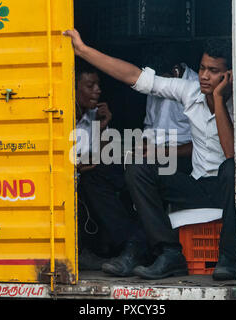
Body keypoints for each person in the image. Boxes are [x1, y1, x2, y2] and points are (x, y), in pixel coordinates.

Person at [64, 29, 236, 281]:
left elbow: (229, 153)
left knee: (231, 168)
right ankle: (168, 253)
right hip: (198, 186)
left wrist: (219, 100)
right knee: (138, 168)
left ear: (229, 75)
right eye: (202, 68)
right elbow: (135, 76)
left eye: (213, 71)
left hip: (229, 190)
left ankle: (228, 258)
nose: (204, 76)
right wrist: (83, 50)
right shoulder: (189, 92)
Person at [74, 60, 144, 271]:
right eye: (90, 86)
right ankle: (133, 242)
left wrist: (102, 127)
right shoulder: (61, 116)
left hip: (89, 177)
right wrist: (80, 166)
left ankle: (133, 243)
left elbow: (99, 156)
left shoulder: (90, 117)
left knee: (122, 174)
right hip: (74, 182)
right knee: (96, 178)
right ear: (73, 87)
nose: (98, 90)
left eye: (98, 85)